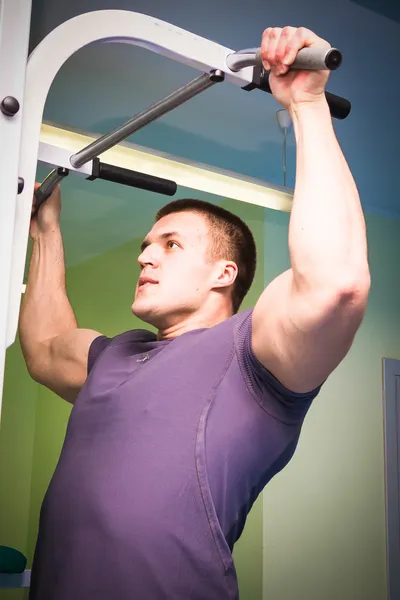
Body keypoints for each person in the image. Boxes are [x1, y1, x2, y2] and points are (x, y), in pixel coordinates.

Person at [19, 25, 370, 600]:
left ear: (223, 274)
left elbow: (335, 285)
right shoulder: (115, 354)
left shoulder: (254, 353)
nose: (144, 256)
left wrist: (306, 105)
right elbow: (44, 345)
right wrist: (46, 231)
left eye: (170, 244)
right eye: (145, 245)